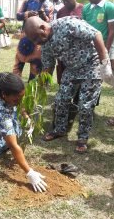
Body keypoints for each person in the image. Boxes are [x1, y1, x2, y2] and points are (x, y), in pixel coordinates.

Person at [24, 16, 112, 153]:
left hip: (91, 65)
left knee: (85, 105)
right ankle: (60, 129)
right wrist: (39, 87)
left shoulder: (68, 24)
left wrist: (104, 63)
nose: (37, 42)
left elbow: (96, 34)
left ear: (43, 28)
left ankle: (82, 138)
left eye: (36, 38)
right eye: (34, 40)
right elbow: (48, 67)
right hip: (71, 69)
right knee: (60, 100)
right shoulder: (45, 44)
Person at [82, 0, 114, 125]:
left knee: (110, 77)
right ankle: (90, 110)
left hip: (107, 49)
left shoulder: (109, 7)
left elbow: (111, 31)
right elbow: (83, 30)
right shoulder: (86, 8)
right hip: (89, 51)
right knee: (92, 80)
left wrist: (105, 53)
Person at [55, 0, 83, 131]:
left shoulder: (84, 10)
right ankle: (64, 109)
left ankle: (77, 108)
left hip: (80, 56)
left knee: (80, 83)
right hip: (64, 55)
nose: (65, 2)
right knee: (64, 83)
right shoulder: (60, 12)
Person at [13, 0, 53, 81]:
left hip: (38, 43)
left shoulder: (49, 6)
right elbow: (18, 15)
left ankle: (31, 91)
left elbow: (50, 24)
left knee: (35, 68)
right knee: (18, 65)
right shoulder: (29, 0)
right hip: (25, 38)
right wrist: (27, 14)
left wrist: (44, 15)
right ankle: (14, 87)